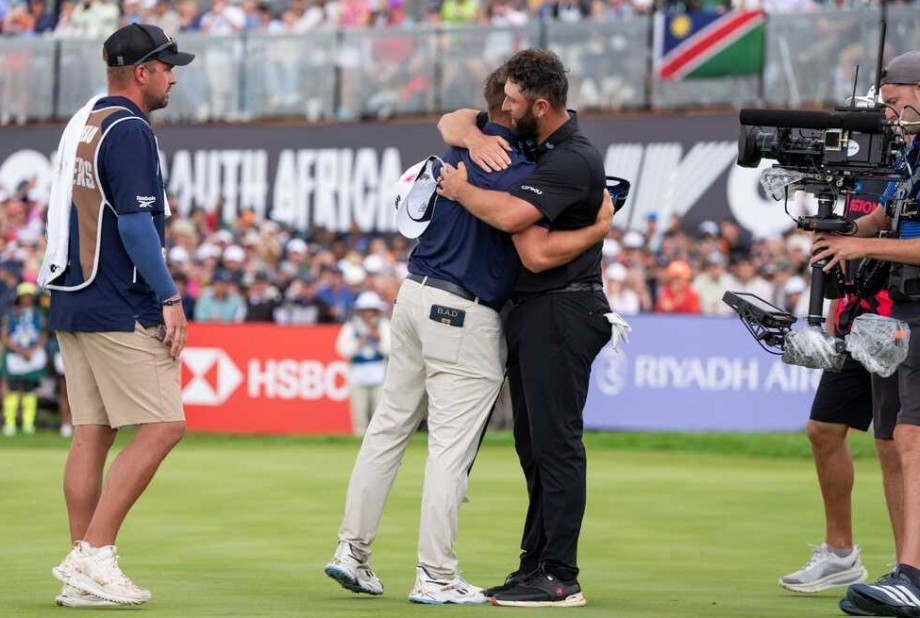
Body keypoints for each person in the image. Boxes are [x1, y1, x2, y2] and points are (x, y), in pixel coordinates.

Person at [324, 66, 613, 605]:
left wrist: (470, 140)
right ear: (511, 108)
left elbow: (453, 121)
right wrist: (599, 226)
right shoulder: (521, 164)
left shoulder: (461, 147)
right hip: (464, 309)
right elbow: (523, 236)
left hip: (413, 294)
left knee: (387, 431)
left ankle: (351, 552)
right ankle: (434, 576)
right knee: (450, 451)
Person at [437, 48, 614, 607]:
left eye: (515, 103)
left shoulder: (572, 159)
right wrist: (470, 133)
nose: (506, 112)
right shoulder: (543, 144)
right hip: (540, 310)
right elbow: (457, 117)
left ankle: (561, 575)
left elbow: (529, 244)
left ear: (542, 104)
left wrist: (463, 190)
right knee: (533, 447)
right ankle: (534, 566)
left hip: (563, 307)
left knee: (556, 446)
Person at [38, 23, 193, 609]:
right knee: (163, 425)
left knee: (92, 433)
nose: (173, 77)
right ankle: (94, 554)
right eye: (167, 67)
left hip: (73, 294)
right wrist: (170, 297)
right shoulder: (129, 128)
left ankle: (82, 573)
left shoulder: (88, 119)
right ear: (142, 72)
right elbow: (134, 223)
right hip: (116, 299)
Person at [808, 50, 920, 616]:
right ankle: (904, 570)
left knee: (910, 438)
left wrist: (859, 244)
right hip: (883, 315)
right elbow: (885, 217)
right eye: (886, 104)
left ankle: (913, 575)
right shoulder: (909, 157)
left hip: (910, 310)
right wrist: (845, 231)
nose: (890, 116)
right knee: (888, 439)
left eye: (899, 102)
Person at [335, 290, 391, 438]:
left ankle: (378, 442)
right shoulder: (352, 326)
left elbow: (391, 349)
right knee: (359, 412)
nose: (369, 314)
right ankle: (359, 440)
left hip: (379, 372)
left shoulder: (384, 325)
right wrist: (359, 342)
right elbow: (342, 349)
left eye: (372, 310)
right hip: (357, 373)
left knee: (379, 412)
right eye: (366, 310)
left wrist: (378, 340)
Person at [1, 282, 48, 437]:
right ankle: (10, 423)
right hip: (15, 356)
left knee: (29, 389)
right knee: (13, 388)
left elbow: (43, 334)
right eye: (24, 296)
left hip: (32, 356)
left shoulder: (38, 314)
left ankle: (28, 424)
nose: (27, 299)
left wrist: (32, 350)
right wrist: (20, 350)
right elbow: (5, 336)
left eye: (29, 296)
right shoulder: (11, 314)